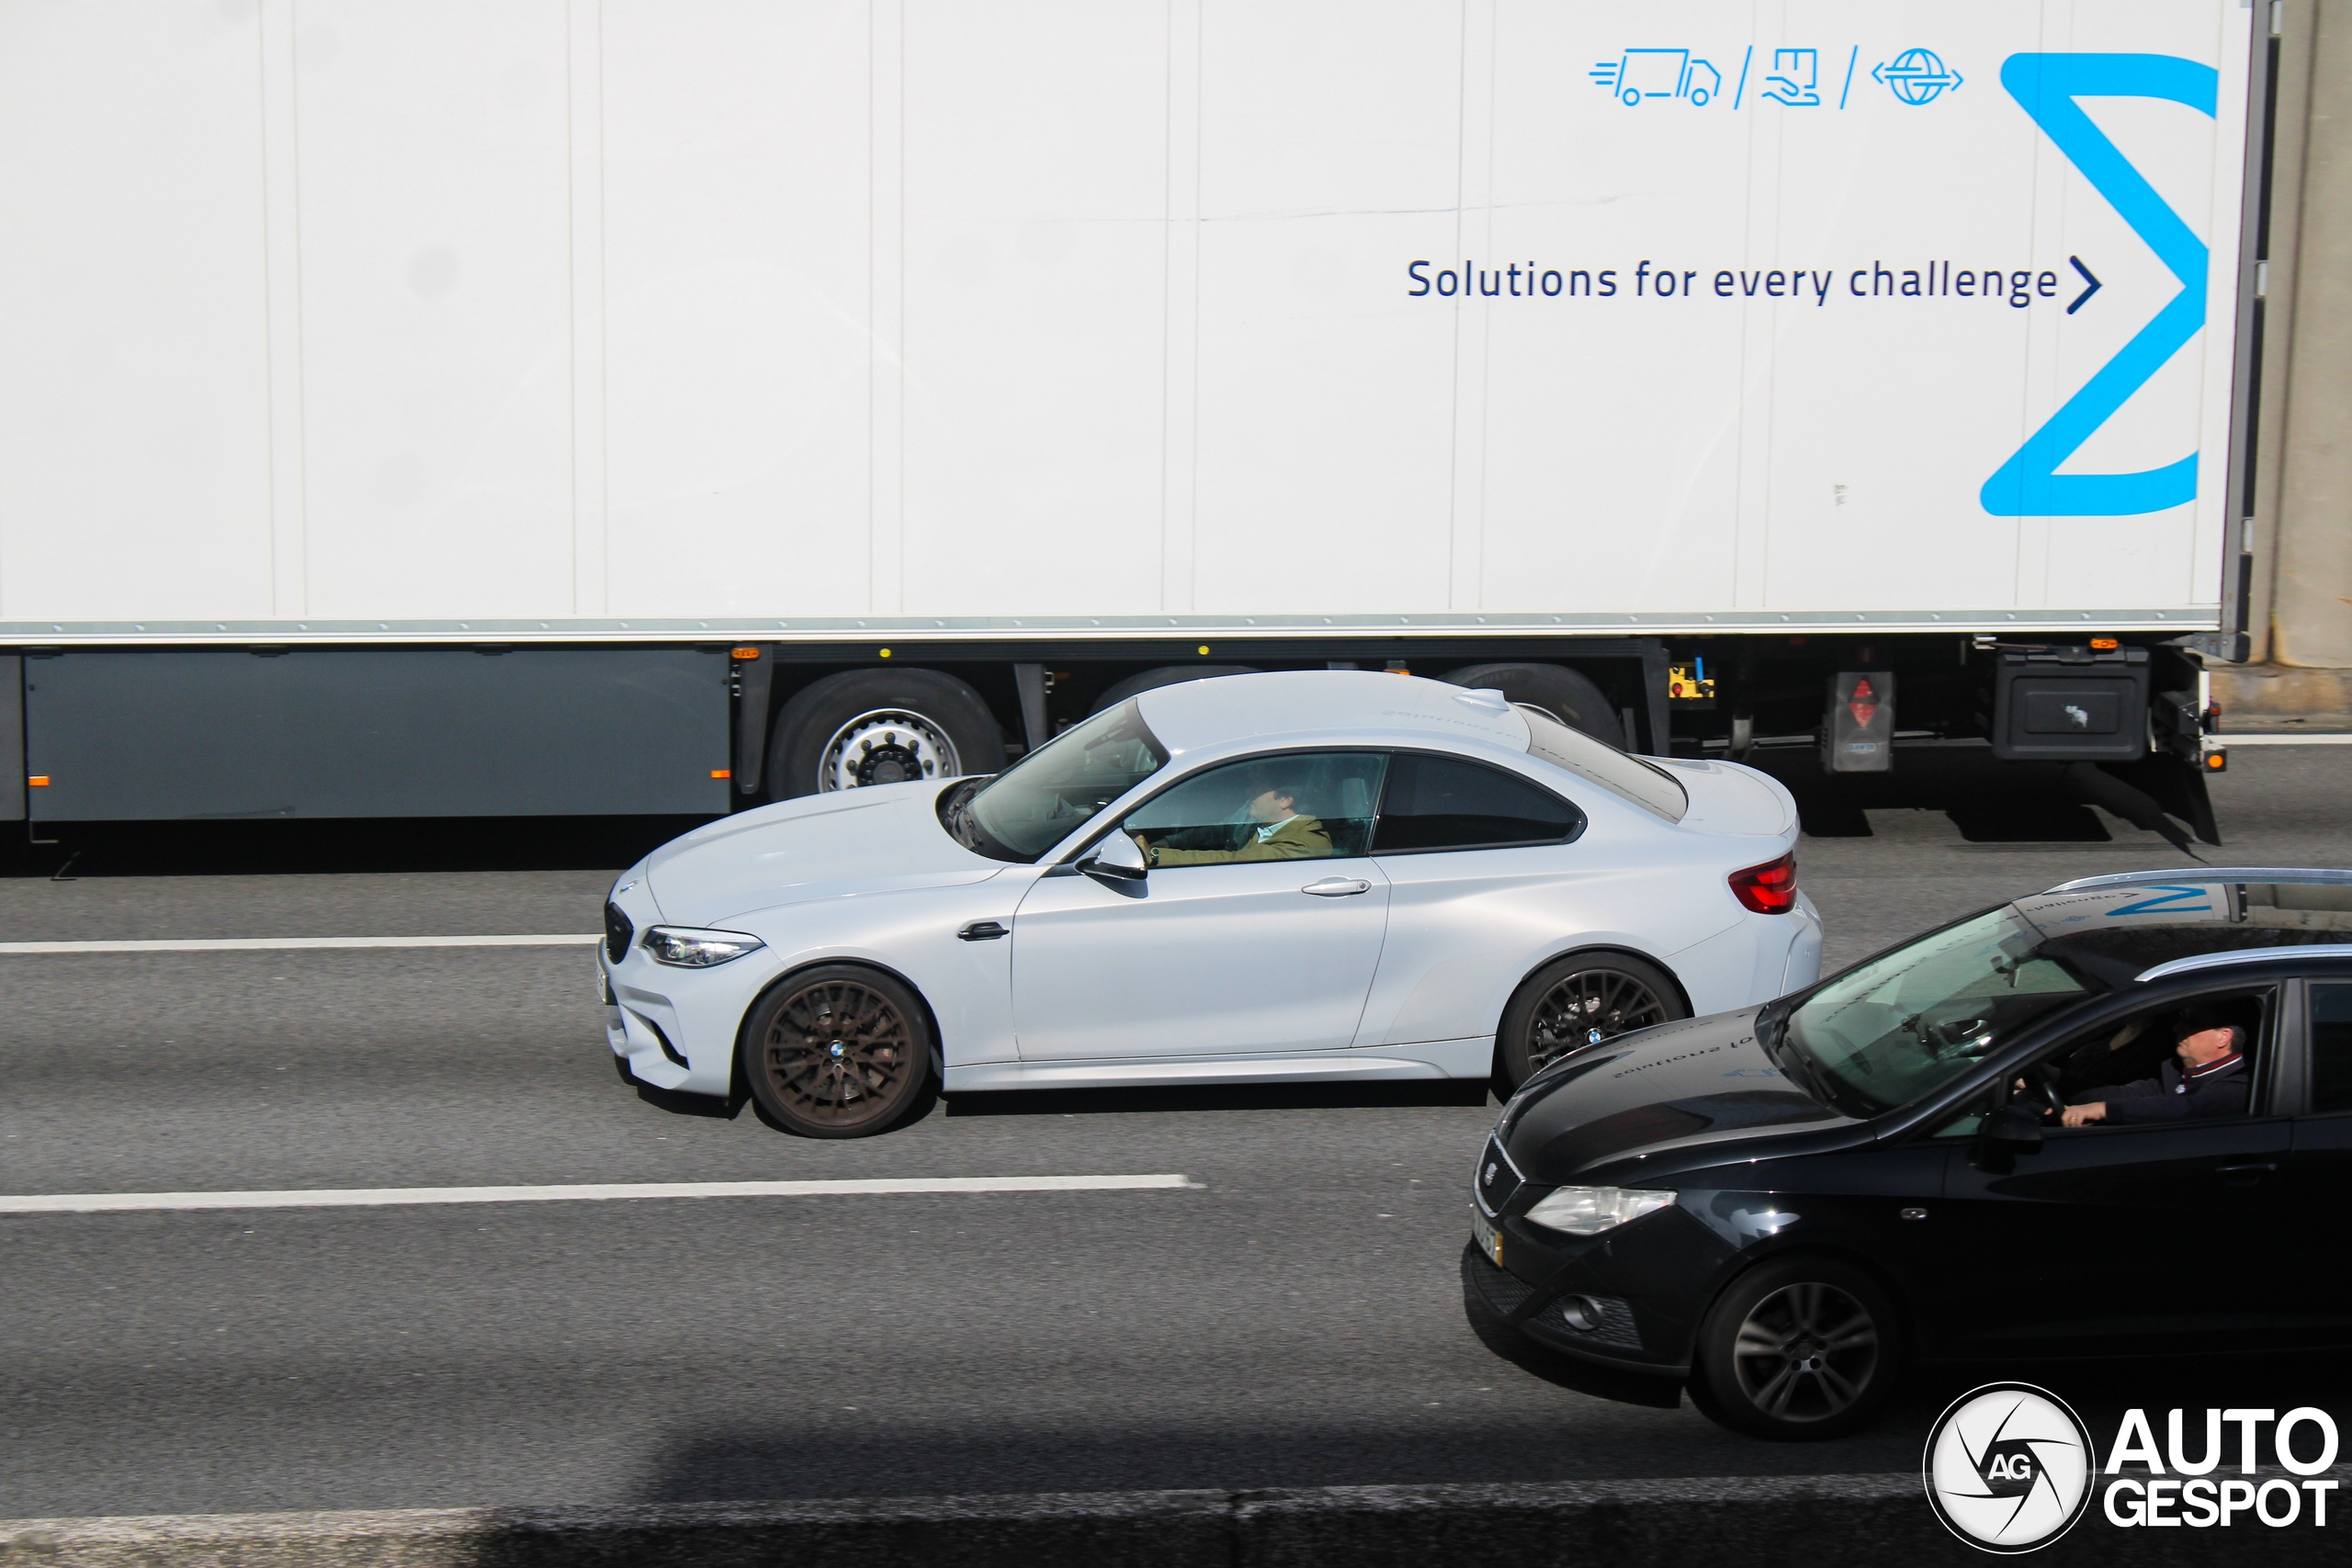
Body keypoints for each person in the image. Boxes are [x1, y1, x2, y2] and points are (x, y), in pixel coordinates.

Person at [2060, 1004, 2252, 1126]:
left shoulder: (2239, 1085)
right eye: (2180, 1020)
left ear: (2223, 1037)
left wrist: (2104, 1110)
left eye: (2192, 1022)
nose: (2177, 1028)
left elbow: (2186, 1108)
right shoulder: (2179, 1074)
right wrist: (2059, 1082)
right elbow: (2126, 1094)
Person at [1135, 779, 1330, 865]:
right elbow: (1220, 832)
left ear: (1286, 800)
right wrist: (1170, 842)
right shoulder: (1261, 821)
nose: (1250, 792)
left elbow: (1236, 860)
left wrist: (1156, 855)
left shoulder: (1304, 843)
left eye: (1259, 787)